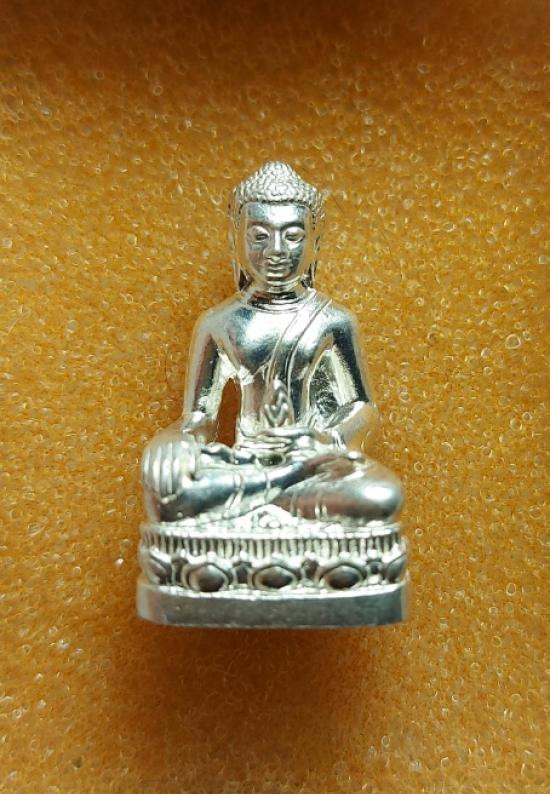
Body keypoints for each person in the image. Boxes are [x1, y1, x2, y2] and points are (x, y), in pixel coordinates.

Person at [141, 161, 403, 527]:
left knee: (381, 496)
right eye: (259, 235)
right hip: (245, 464)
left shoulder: (333, 321)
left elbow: (362, 409)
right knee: (167, 496)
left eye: (293, 236)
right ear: (237, 240)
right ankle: (276, 494)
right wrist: (174, 440)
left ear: (315, 243)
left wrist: (325, 440)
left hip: (312, 466)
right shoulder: (219, 323)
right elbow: (200, 418)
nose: (276, 250)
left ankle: (259, 500)